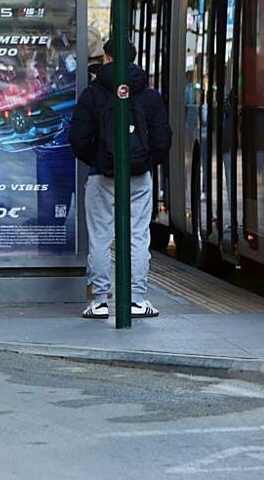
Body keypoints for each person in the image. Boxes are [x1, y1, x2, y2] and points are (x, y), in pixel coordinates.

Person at [69, 39, 171, 320]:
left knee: (100, 237)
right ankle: (137, 300)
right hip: (139, 177)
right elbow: (162, 139)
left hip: (100, 175)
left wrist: (97, 160)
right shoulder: (149, 95)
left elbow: (78, 138)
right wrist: (145, 162)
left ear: (108, 57)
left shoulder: (93, 94)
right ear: (133, 58)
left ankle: (100, 301)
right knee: (138, 236)